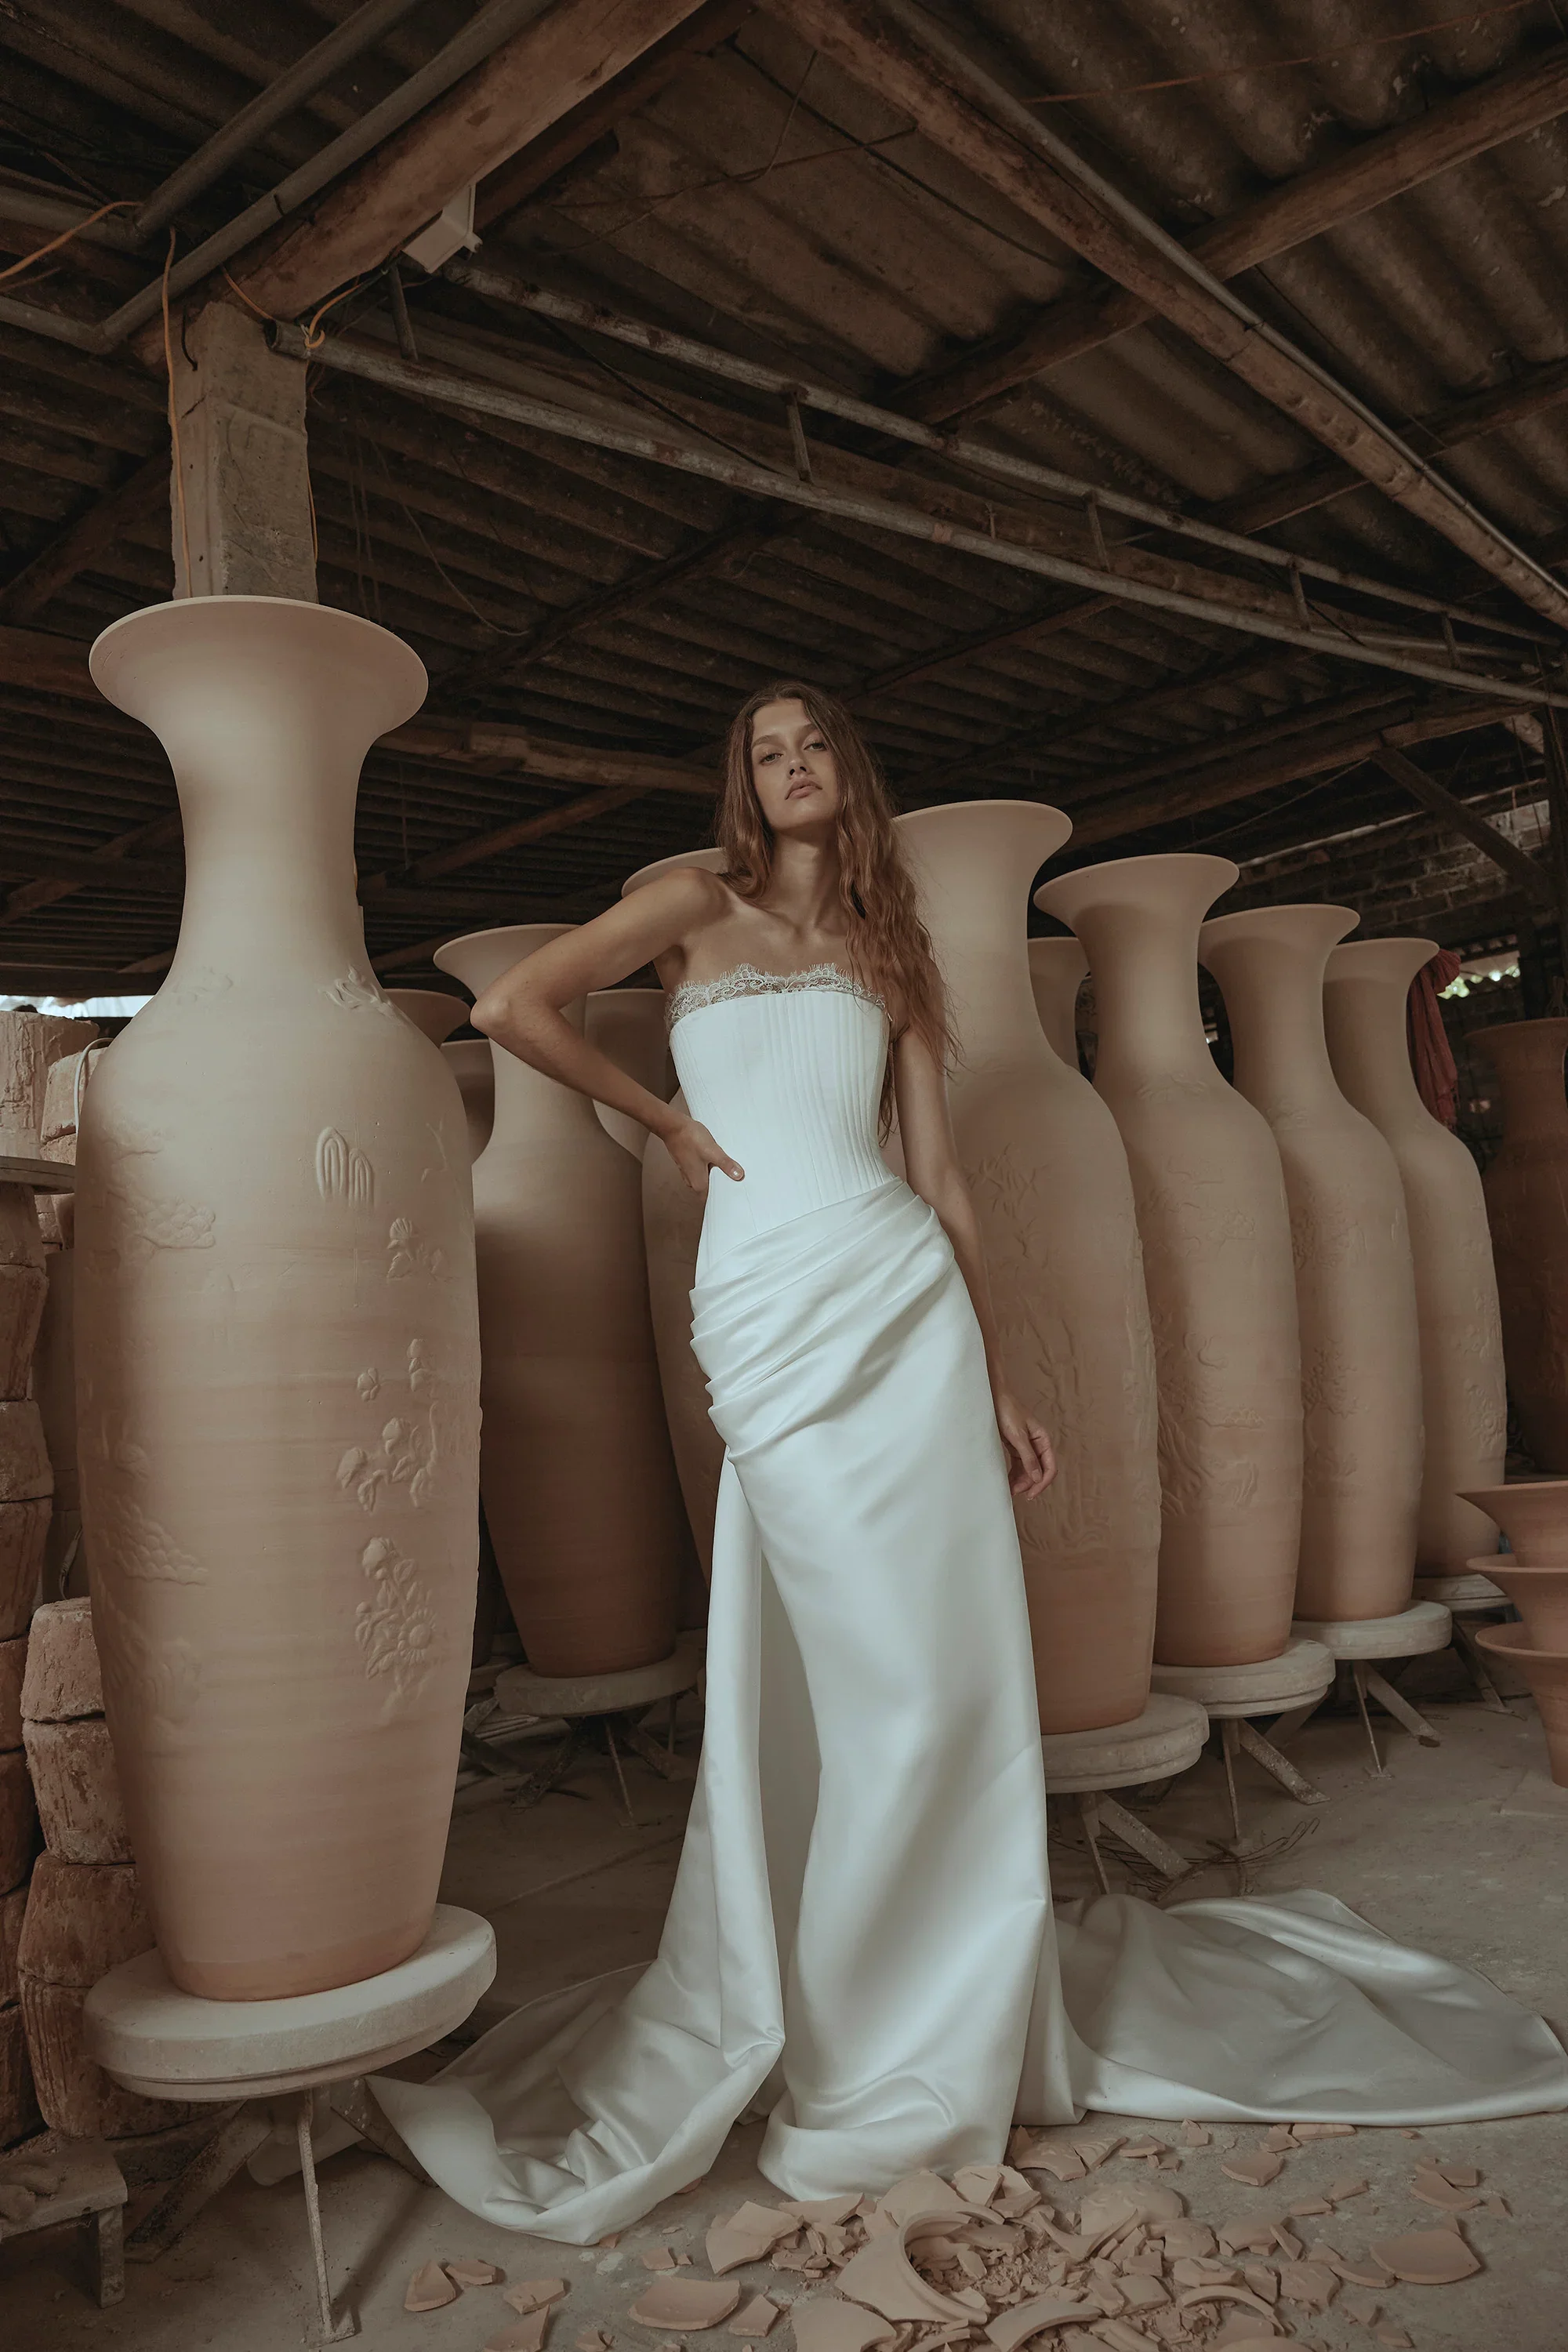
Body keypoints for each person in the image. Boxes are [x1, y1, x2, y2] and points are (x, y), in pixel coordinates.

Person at [374, 683, 1568, 2239]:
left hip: (899, 1296)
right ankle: (820, 1976)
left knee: (932, 1660)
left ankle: (935, 2004)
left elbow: (938, 1175)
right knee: (829, 1643)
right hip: (765, 1298)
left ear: (846, 773)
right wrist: (661, 1120)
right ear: (741, 783)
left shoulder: (892, 948)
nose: (790, 767)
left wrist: (995, 1372)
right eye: (763, 751)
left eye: (812, 745)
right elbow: (514, 1008)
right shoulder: (688, 898)